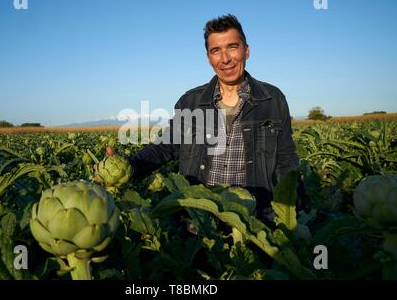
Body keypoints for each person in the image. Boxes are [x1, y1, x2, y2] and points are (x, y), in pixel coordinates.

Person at [106, 14, 302, 222]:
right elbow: (165, 147)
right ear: (209, 58)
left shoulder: (272, 99)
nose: (225, 58)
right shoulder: (190, 102)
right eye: (216, 51)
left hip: (256, 220)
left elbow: (286, 160)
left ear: (247, 50)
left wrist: (293, 215)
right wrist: (128, 166)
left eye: (232, 47)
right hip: (199, 221)